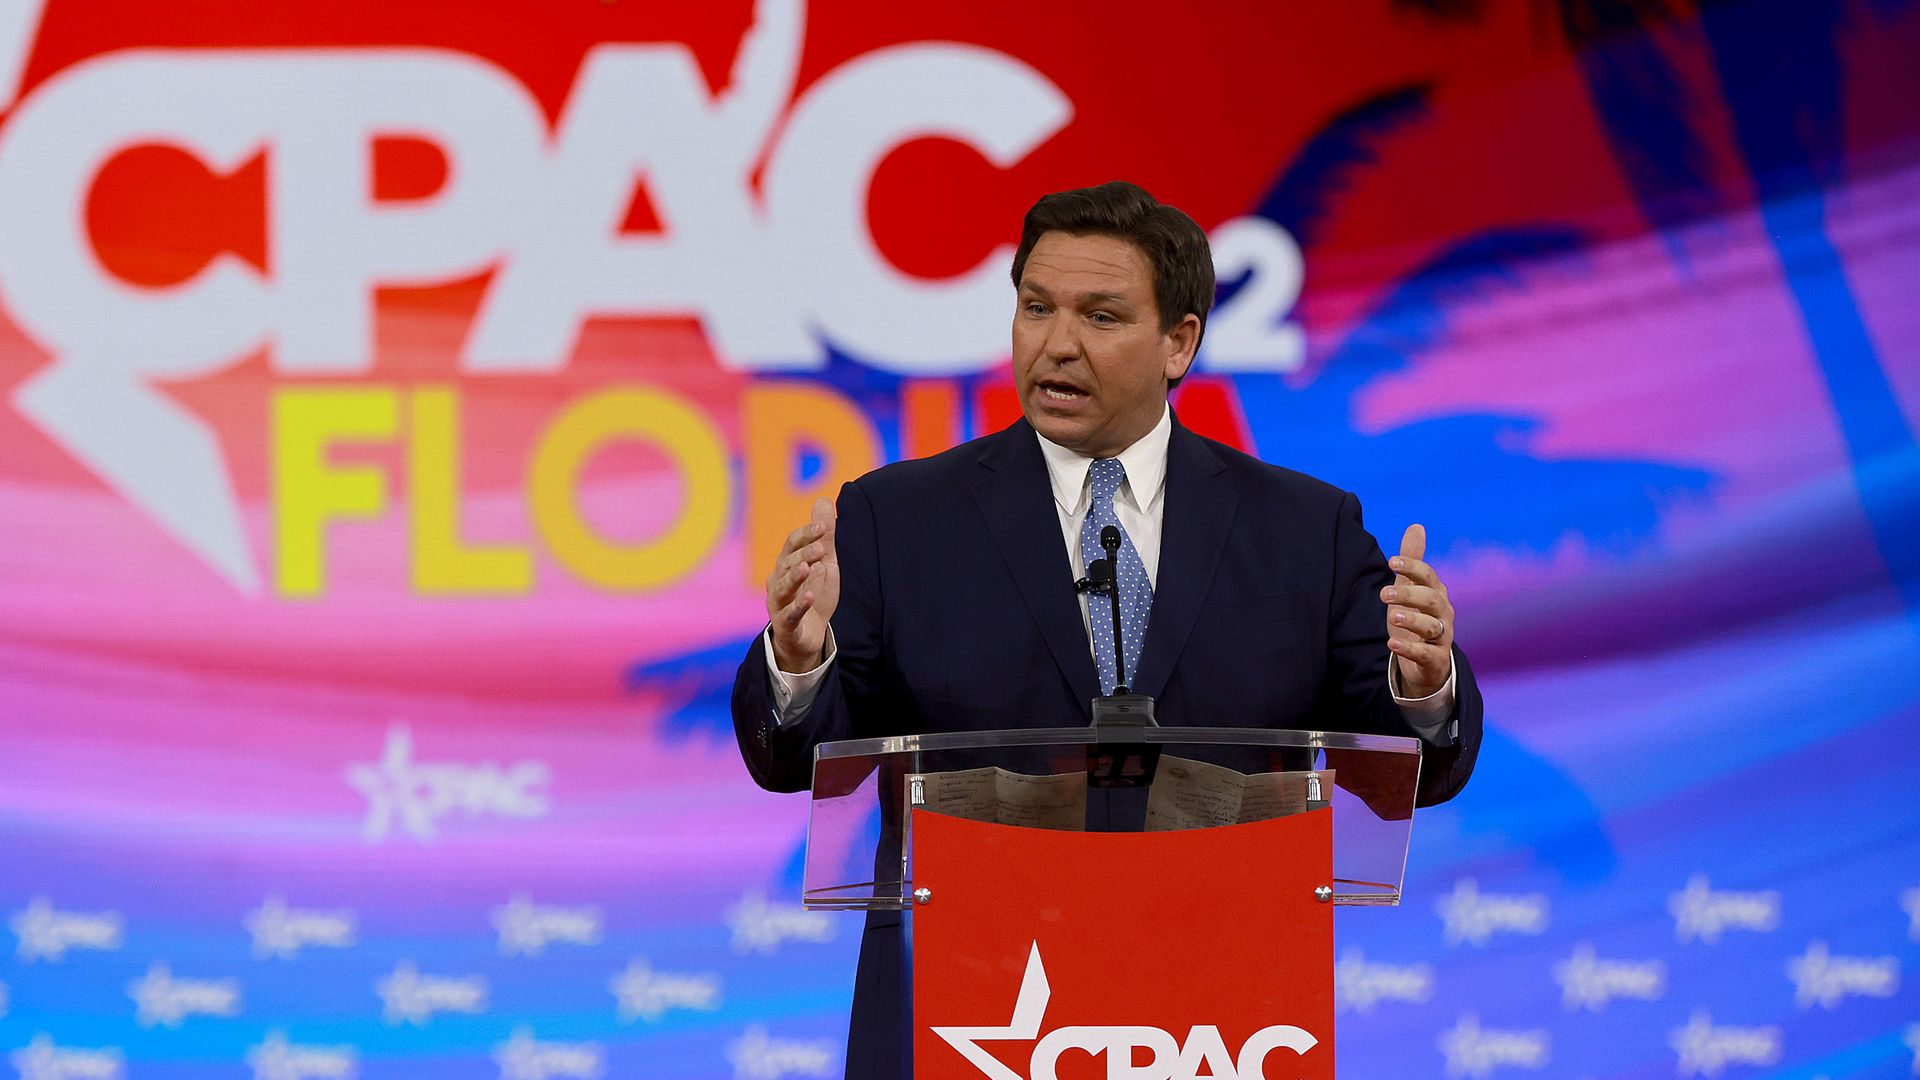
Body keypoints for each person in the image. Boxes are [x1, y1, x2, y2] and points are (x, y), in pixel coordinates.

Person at [731, 181, 1482, 1079]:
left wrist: (1423, 685)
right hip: (970, 1001)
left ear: (1179, 343)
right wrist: (800, 661)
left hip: (1222, 1007)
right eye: (1036, 307)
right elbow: (795, 758)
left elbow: (1413, 767)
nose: (1057, 343)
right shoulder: (899, 520)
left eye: (1100, 315)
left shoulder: (1302, 530)